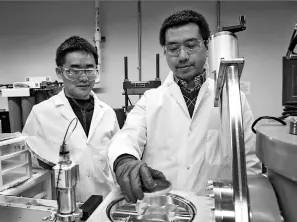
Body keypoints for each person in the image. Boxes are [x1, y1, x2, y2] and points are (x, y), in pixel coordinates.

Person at [108, 10, 261, 203]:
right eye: (173, 48)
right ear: (165, 52)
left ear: (207, 46)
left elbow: (248, 161)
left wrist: (248, 206)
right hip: (160, 210)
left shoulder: (233, 98)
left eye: (191, 45)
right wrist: (124, 160)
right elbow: (128, 135)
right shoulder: (151, 99)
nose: (182, 56)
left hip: (213, 211)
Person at [23, 36, 119, 202]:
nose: (83, 78)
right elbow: (29, 166)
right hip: (62, 207)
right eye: (74, 70)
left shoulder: (108, 113)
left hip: (105, 203)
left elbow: (116, 159)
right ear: (60, 72)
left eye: (89, 69)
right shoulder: (41, 113)